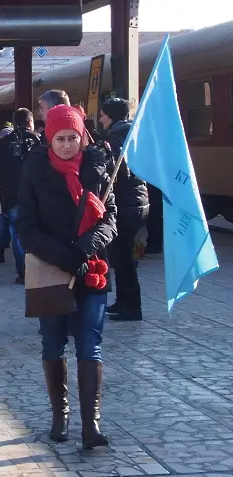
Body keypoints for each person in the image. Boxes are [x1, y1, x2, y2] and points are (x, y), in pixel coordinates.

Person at [17, 105, 117, 450]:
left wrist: (84, 249)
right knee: (53, 342)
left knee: (91, 343)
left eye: (73, 137)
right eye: (59, 138)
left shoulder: (99, 169)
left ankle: (92, 424)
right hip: (51, 270)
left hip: (91, 270)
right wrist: (64, 255)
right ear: (48, 139)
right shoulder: (34, 173)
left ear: (82, 136)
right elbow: (26, 229)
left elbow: (110, 219)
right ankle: (60, 415)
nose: (66, 144)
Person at [99, 98, 149, 321]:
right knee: (121, 257)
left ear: (110, 116)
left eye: (102, 115)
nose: (100, 119)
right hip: (135, 201)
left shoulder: (117, 138)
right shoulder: (131, 133)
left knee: (123, 258)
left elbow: (120, 173)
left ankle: (131, 307)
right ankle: (123, 301)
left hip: (126, 204)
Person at [0, 108, 41, 284]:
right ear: (30, 122)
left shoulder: (1, 144)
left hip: (10, 195)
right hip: (35, 196)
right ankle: (39, 270)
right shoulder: (38, 141)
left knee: (16, 234)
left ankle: (24, 273)